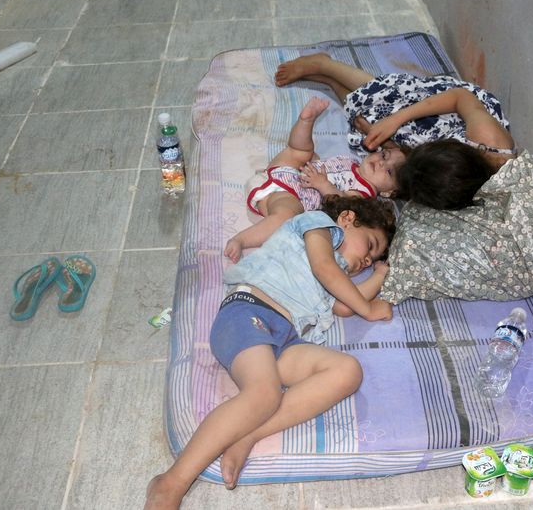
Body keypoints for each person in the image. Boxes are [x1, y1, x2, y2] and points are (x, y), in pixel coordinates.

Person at [145, 195, 396, 510]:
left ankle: (247, 436)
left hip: (284, 337)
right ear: (347, 218)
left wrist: (378, 276)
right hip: (248, 313)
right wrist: (370, 310)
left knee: (348, 371)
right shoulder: (316, 225)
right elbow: (323, 269)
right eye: (370, 245)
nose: (368, 260)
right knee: (264, 394)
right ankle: (172, 481)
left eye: (373, 258)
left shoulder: (338, 276)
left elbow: (345, 304)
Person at [275, 53, 517, 210]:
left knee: (369, 129)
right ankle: (326, 64)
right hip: (456, 107)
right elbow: (459, 97)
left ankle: (332, 82)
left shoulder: (450, 187)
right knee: (388, 104)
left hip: (440, 157)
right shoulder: (490, 140)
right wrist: (397, 120)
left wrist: (388, 144)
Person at [224, 96, 405, 263]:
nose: (381, 163)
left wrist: (323, 184)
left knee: (286, 217)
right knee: (302, 152)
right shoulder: (352, 162)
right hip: (286, 172)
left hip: (293, 196)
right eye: (384, 155)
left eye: (389, 172)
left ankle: (241, 239)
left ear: (389, 192)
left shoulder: (365, 196)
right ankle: (306, 121)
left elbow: (341, 202)